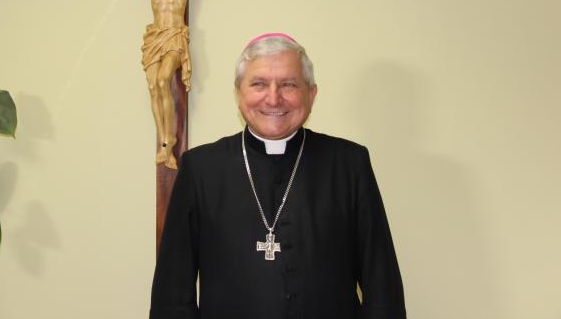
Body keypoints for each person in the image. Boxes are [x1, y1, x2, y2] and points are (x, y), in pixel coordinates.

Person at [150, 33, 406, 319]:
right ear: (238, 93)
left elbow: (382, 288)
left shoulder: (349, 164)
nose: (273, 98)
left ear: (312, 94)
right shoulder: (200, 169)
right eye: (259, 84)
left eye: (289, 84)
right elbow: (172, 296)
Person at [81, 0, 267, 169]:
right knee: (152, 86)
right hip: (155, 36)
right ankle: (163, 139)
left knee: (163, 80)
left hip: (175, 36)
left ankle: (169, 142)